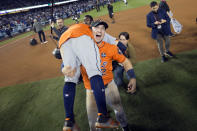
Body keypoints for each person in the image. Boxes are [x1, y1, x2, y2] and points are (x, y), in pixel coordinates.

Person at [59, 23, 120, 131]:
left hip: (63, 40)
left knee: (70, 79)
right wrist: (123, 47)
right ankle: (103, 117)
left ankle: (69, 121)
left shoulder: (76, 29)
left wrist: (63, 67)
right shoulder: (89, 32)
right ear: (92, 28)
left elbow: (67, 64)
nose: (99, 30)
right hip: (82, 37)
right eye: (97, 28)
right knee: (95, 72)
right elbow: (116, 42)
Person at [79, 20, 136, 131]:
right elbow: (67, 65)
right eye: (97, 28)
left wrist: (132, 77)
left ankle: (125, 127)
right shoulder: (81, 49)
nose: (100, 30)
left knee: (119, 110)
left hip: (109, 85)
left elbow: (125, 61)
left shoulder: (110, 47)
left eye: (103, 28)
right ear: (91, 30)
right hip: (91, 90)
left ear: (104, 32)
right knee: (93, 121)